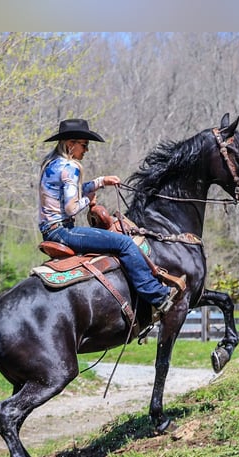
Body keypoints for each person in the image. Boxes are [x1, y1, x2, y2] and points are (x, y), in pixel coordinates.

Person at [38, 118, 180, 317]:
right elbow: (71, 208)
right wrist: (88, 200)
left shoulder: (51, 164)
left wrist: (100, 182)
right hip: (63, 231)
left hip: (50, 230)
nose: (86, 150)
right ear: (70, 144)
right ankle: (158, 296)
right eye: (84, 145)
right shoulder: (71, 167)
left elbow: (70, 192)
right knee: (124, 243)